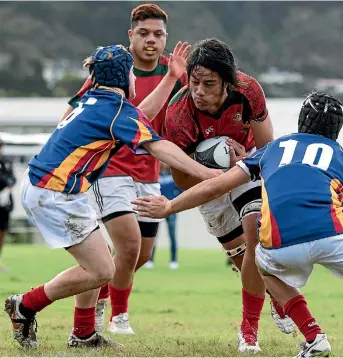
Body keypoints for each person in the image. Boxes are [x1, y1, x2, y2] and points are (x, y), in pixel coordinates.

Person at [133, 92, 343, 357]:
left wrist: (170, 205)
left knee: (261, 267)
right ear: (336, 132)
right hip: (333, 235)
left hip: (280, 244)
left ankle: (314, 336)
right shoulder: (340, 156)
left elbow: (216, 186)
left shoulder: (271, 150)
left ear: (301, 121)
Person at [5, 44, 220, 349]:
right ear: (123, 76)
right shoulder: (114, 109)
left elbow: (141, 116)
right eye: (131, 71)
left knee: (101, 258)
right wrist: (207, 173)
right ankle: (25, 305)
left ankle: (83, 333)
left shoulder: (93, 100)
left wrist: (171, 78)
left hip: (49, 186)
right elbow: (157, 145)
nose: (134, 76)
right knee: (103, 270)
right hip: (55, 192)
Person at [160, 38, 294, 353]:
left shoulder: (249, 91)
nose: (199, 91)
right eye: (194, 82)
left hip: (245, 169)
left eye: (209, 84)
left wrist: (242, 157)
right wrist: (209, 167)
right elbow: (181, 180)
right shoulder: (179, 115)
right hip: (202, 181)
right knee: (240, 257)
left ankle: (248, 331)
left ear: (227, 83)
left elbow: (267, 152)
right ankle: (274, 294)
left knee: (255, 237)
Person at [63, 4, 189, 334]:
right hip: (112, 169)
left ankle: (103, 291)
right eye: (144, 33)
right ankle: (118, 317)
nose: (151, 40)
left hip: (149, 173)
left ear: (166, 37)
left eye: (158, 34)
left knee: (141, 254)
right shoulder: (113, 70)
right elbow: (72, 115)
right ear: (131, 35)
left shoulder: (176, 71)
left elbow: (187, 116)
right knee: (129, 247)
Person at [144, 162, 182, 269]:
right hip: (157, 209)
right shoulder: (155, 174)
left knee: (172, 235)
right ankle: (150, 260)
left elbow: (180, 190)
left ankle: (174, 260)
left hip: (171, 209)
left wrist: (175, 201)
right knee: (153, 236)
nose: (163, 164)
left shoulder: (173, 175)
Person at [0, 139, 16, 271]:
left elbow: (12, 178)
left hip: (4, 203)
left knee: (2, 231)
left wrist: (7, 182)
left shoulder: (6, 161)